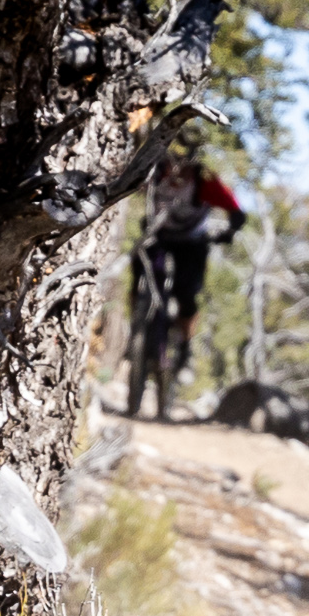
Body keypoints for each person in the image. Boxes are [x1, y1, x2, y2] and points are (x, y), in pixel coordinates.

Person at [124, 145, 244, 420]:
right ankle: (137, 329)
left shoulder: (205, 181)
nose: (177, 171)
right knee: (139, 272)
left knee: (187, 294)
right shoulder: (154, 174)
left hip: (192, 243)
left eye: (184, 164)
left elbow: (237, 212)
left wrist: (228, 232)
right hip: (157, 237)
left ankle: (186, 349)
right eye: (173, 162)